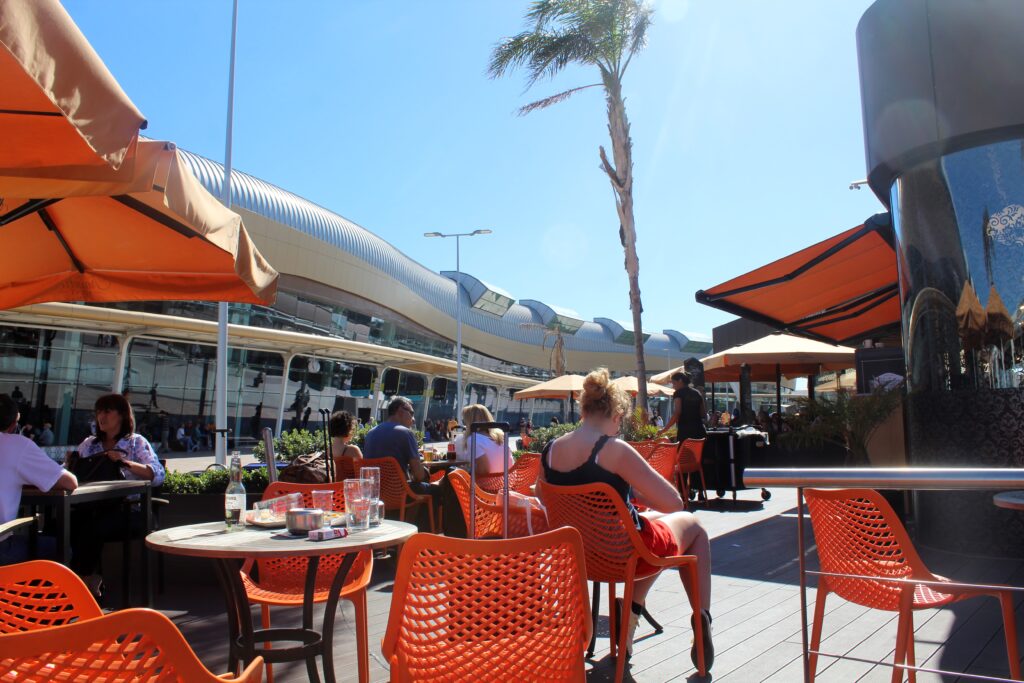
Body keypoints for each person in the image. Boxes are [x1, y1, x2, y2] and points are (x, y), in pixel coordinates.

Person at [539, 368, 714, 668]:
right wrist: (636, 493)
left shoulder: (550, 451)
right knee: (693, 528)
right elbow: (673, 502)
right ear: (616, 414)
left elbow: (545, 500)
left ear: (584, 409)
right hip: (624, 556)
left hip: (580, 559)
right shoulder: (613, 450)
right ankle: (702, 617)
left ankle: (633, 609)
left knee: (655, 526)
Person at [70, 393, 164, 597]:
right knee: (64, 523)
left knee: (90, 527)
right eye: (98, 412)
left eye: (107, 411)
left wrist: (125, 463)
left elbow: (157, 474)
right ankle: (79, 580)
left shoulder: (135, 443)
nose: (101, 416)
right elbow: (66, 471)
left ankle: (82, 583)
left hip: (131, 509)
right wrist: (70, 464)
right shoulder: (89, 444)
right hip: (92, 507)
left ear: (121, 415)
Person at [0, 394, 77, 565]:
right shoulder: (17, 445)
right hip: (1, 548)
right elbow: (69, 482)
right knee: (59, 548)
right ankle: (21, 592)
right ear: (13, 424)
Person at [363, 397, 440, 515]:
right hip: (400, 494)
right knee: (440, 489)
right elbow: (419, 476)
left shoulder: (370, 433)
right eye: (412, 413)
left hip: (376, 495)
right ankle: (431, 530)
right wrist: (425, 470)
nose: (413, 419)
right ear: (400, 410)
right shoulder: (404, 432)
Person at [455, 404, 511, 478]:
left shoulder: (473, 439)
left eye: (464, 420)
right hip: (506, 483)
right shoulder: (500, 436)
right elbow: (510, 464)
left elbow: (484, 470)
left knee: (452, 473)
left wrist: (467, 471)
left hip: (486, 485)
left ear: (469, 421)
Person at [658, 371, 707, 443]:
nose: (673, 386)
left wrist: (665, 429)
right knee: (699, 453)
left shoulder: (678, 393)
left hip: (686, 432)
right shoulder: (697, 393)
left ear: (680, 381)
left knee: (684, 454)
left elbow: (677, 412)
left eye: (674, 383)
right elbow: (703, 413)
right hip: (699, 431)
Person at [329, 410, 363, 476]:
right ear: (349, 429)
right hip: (350, 485)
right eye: (353, 429)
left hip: (333, 486)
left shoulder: (327, 452)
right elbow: (362, 474)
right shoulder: (353, 450)